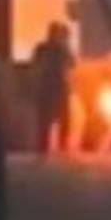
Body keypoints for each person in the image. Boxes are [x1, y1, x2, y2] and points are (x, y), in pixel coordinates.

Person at [32, 22, 74, 154]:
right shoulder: (57, 49)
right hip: (54, 87)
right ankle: (54, 147)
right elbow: (71, 64)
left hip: (51, 87)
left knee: (51, 120)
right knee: (56, 119)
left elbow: (70, 64)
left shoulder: (45, 49)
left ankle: (47, 147)